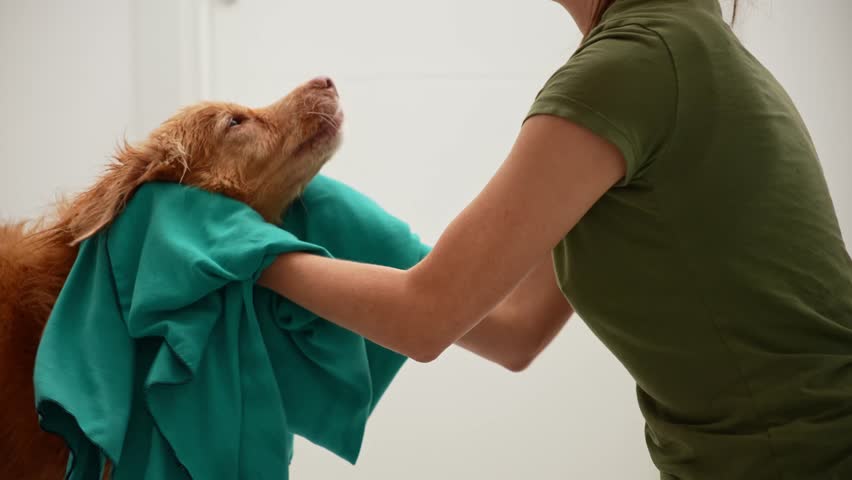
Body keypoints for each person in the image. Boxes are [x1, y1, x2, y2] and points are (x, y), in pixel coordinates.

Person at [259, 0, 852, 478]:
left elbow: (424, 318)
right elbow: (518, 326)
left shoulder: (630, 64)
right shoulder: (678, 39)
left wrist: (248, 252)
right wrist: (355, 229)